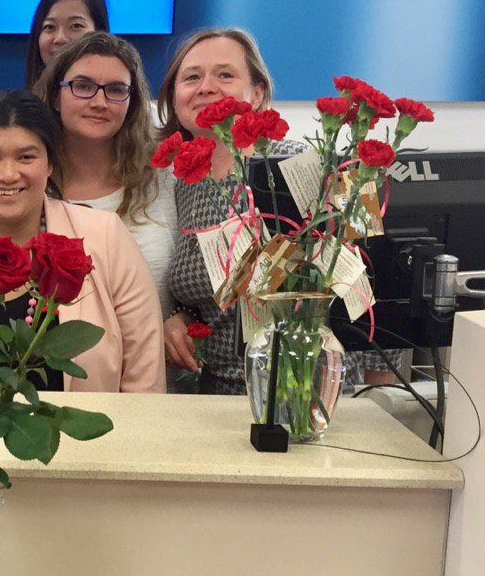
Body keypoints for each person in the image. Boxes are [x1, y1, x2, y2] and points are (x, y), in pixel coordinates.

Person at [157, 27, 397, 394]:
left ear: (257, 93)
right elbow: (204, 295)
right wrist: (178, 317)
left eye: (225, 74)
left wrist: (382, 399)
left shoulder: (314, 164)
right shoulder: (177, 184)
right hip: (214, 398)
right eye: (191, 77)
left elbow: (373, 285)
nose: (205, 87)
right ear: (175, 99)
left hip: (310, 397)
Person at [0, 90, 165, 393]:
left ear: (49, 164)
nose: (8, 174)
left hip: (90, 440)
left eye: (26, 157)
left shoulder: (105, 238)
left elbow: (145, 377)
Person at [31, 31, 175, 317]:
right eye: (82, 86)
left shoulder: (163, 175)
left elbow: (191, 281)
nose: (99, 102)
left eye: (116, 89)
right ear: (56, 97)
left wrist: (182, 317)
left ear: (131, 103)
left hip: (158, 357)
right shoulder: (30, 182)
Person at [24, 0, 109, 88]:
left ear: (100, 33)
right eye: (50, 27)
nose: (60, 38)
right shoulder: (20, 103)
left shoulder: (118, 101)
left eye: (76, 26)